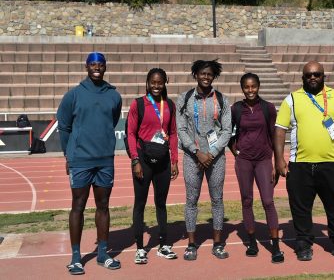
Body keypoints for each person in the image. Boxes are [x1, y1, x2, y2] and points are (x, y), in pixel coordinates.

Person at [273, 61, 334, 262]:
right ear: (302, 78)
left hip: (331, 164)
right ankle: (303, 244)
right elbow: (279, 129)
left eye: (317, 74)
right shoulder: (292, 99)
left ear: (323, 76)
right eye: (309, 75)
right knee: (300, 209)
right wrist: (279, 159)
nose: (313, 78)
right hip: (299, 164)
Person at [57, 52, 122, 275]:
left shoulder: (114, 96)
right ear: (86, 67)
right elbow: (64, 127)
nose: (97, 68)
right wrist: (69, 155)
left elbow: (112, 121)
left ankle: (103, 253)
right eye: (93, 64)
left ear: (105, 67)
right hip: (80, 160)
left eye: (100, 65)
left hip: (105, 159)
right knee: (78, 205)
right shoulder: (73, 95)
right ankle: (76, 257)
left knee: (103, 206)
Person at [176, 59, 232, 261]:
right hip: (192, 157)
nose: (206, 77)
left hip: (216, 158)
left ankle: (218, 244)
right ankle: (191, 245)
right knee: (191, 200)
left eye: (209, 74)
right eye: (202, 73)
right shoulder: (185, 98)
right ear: (195, 75)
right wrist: (196, 151)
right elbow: (181, 129)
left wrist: (212, 152)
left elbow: (227, 131)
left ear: (214, 77)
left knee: (217, 200)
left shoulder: (223, 100)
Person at [228, 73, 284, 263]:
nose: (250, 90)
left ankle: (275, 246)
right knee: (246, 200)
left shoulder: (268, 108)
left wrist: (277, 162)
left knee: (268, 201)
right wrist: (235, 151)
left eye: (253, 86)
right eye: (246, 87)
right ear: (242, 88)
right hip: (244, 161)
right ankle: (252, 242)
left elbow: (275, 135)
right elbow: (230, 134)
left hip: (263, 160)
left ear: (258, 86)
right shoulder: (236, 109)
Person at [126, 68, 179, 264]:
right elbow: (130, 134)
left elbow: (173, 133)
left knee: (161, 203)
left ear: (165, 83)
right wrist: (135, 160)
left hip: (163, 161)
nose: (156, 86)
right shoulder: (138, 104)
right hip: (143, 160)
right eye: (153, 82)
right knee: (140, 204)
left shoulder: (170, 105)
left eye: (160, 82)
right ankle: (140, 248)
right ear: (147, 83)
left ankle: (163, 245)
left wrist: (174, 160)